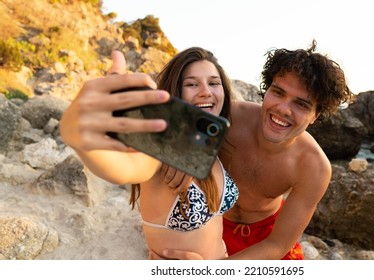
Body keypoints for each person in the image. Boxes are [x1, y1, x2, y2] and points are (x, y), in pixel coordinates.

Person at [160, 40, 355, 260]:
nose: (283, 109)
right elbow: (169, 121)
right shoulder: (228, 118)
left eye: (301, 104)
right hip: (211, 221)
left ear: (316, 115)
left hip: (266, 238)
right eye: (278, 92)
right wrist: (181, 152)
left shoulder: (314, 167)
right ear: (267, 89)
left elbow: (277, 244)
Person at [59, 47, 239, 259]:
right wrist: (76, 134)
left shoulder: (207, 142)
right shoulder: (158, 152)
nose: (206, 91)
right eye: (191, 84)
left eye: (214, 83)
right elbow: (125, 169)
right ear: (175, 94)